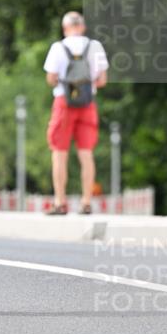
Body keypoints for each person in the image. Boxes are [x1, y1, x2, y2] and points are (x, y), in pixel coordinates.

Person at [43, 11, 108, 214]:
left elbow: (51, 78)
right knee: (86, 154)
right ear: (83, 27)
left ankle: (60, 202)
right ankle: (86, 202)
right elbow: (102, 80)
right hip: (88, 103)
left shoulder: (58, 47)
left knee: (59, 153)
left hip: (64, 102)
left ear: (65, 29)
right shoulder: (95, 46)